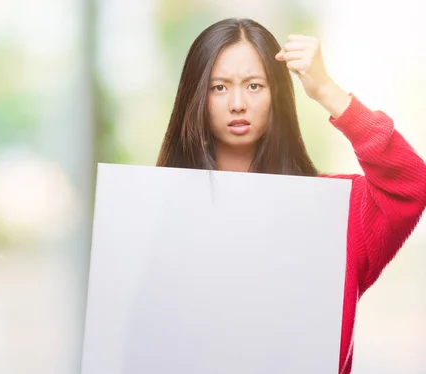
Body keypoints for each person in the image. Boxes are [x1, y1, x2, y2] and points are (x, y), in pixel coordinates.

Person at [156, 17, 426, 374]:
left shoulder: (335, 209)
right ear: (196, 97)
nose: (237, 103)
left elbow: (409, 184)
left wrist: (327, 91)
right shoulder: (157, 209)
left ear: (277, 95)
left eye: (254, 86)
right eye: (219, 87)